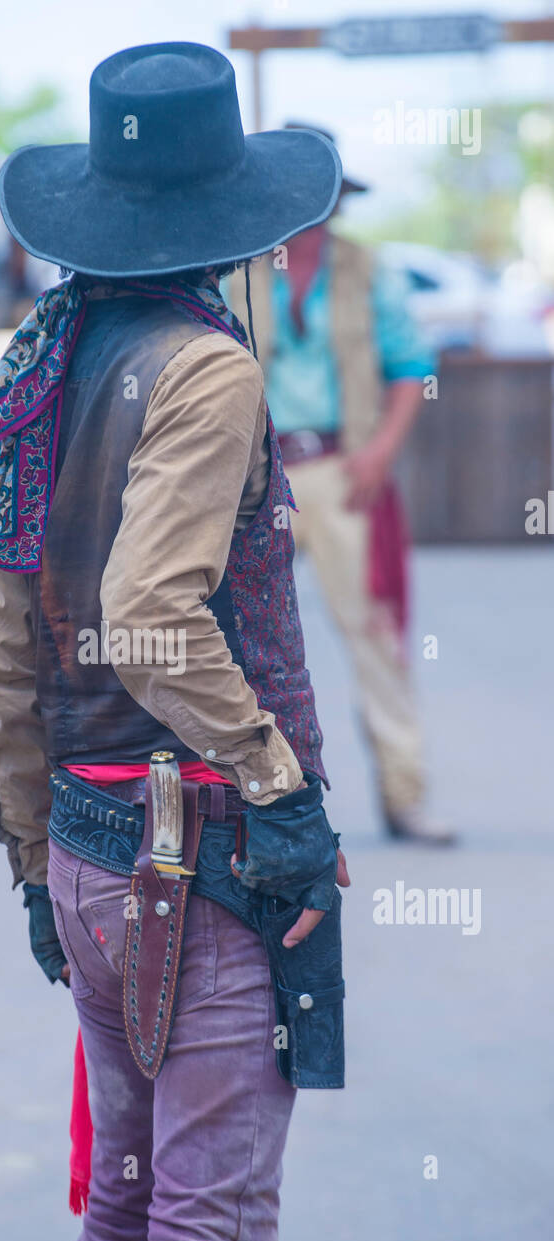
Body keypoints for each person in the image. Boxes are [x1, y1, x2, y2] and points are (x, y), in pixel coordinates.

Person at [0, 42, 349, 1241]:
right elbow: (147, 612)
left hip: (88, 851)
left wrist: (32, 857)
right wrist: (281, 788)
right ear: (229, 227)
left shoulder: (46, 358)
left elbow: (3, 641)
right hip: (190, 856)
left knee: (126, 1226)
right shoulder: (207, 366)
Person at [230, 127, 455, 846]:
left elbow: (411, 367)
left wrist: (381, 452)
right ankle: (242, 802)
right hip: (254, 479)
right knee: (235, 642)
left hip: (341, 468)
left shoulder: (363, 269)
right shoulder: (236, 270)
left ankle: (404, 794)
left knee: (376, 637)